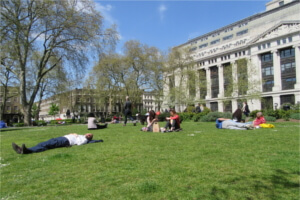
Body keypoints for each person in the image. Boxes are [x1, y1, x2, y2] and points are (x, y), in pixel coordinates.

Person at [12, 133, 103, 154]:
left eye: (89, 135)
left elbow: (82, 143)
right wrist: (74, 134)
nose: (88, 134)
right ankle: (25, 149)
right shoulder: (80, 135)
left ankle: (26, 151)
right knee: (44, 143)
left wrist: (99, 141)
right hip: (63, 138)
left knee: (47, 145)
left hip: (65, 141)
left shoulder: (85, 140)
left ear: (89, 137)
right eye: (88, 133)